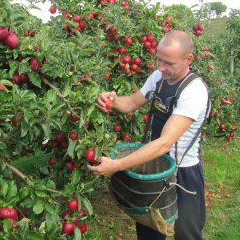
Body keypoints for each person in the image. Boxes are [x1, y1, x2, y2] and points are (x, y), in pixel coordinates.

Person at [87, 30, 208, 240]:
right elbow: (132, 103)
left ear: (188, 59)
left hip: (183, 172)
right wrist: (112, 101)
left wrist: (116, 165)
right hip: (151, 166)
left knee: (187, 233)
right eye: (159, 60)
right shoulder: (159, 77)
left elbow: (164, 144)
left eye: (168, 63)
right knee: (148, 228)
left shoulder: (194, 91)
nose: (161, 67)